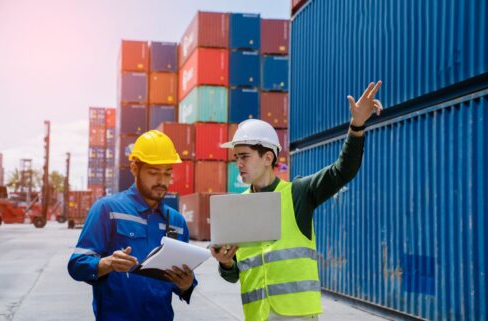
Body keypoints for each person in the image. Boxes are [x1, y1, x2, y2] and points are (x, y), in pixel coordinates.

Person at [210, 82, 383, 321]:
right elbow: (235, 275)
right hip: (256, 316)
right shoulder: (237, 206)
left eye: (244, 157)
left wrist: (357, 126)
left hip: (296, 316)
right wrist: (226, 263)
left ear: (267, 157)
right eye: (236, 158)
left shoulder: (298, 194)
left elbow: (342, 171)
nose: (238, 164)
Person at [68, 130, 196, 321]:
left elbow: (183, 283)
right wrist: (107, 263)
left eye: (167, 173)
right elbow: (77, 265)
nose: (162, 181)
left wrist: (187, 284)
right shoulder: (107, 209)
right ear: (135, 168)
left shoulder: (176, 222)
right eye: (153, 173)